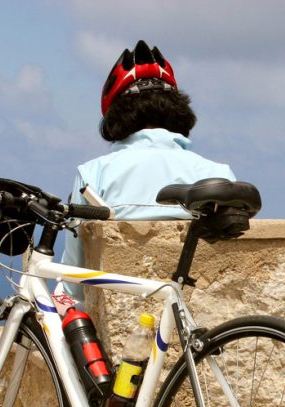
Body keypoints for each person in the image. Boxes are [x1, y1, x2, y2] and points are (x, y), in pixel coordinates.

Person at [60, 40, 235, 289]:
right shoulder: (219, 175)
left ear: (115, 116)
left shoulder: (93, 175)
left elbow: (73, 278)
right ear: (178, 111)